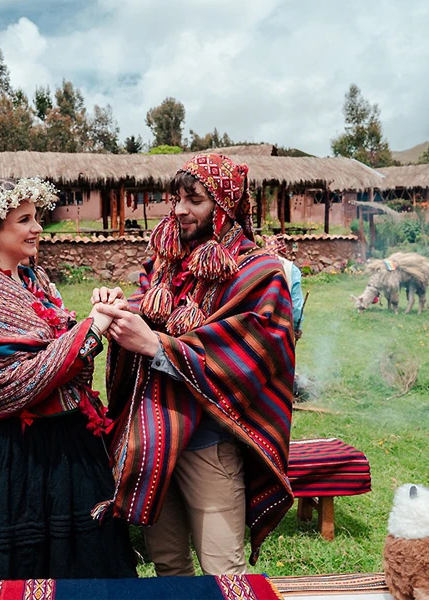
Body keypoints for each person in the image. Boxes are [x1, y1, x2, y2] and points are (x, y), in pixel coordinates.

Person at [92, 154, 296, 575]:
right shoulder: (166, 262)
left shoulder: (260, 273)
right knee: (168, 565)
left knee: (224, 571)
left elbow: (254, 356)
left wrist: (155, 345)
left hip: (209, 443)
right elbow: (150, 310)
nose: (180, 209)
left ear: (224, 205)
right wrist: (121, 308)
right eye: (177, 198)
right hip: (155, 439)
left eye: (195, 200)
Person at [0, 178, 136, 583]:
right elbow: (10, 380)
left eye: (37, 218)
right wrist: (91, 329)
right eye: (24, 219)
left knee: (79, 561)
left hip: (65, 444)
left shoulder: (33, 281)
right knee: (20, 560)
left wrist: (97, 319)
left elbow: (59, 355)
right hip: (7, 453)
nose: (38, 228)